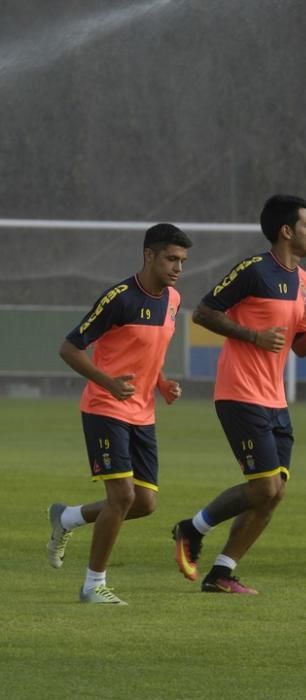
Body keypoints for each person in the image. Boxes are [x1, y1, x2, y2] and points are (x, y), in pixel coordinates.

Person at [172, 194, 306, 594]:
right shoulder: (253, 270)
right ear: (286, 230)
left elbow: (298, 348)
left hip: (275, 401)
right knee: (264, 487)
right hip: (239, 392)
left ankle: (222, 572)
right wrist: (253, 335)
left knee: (274, 494)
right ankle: (192, 528)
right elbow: (203, 312)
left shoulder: (305, 282)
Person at [47, 223, 192, 605]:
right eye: (170, 259)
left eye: (182, 261)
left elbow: (147, 352)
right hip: (104, 407)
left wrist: (161, 383)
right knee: (122, 496)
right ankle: (94, 585)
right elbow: (69, 348)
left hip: (142, 413)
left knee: (144, 503)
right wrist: (107, 381)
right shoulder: (119, 298)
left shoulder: (173, 300)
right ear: (149, 255)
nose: (177, 267)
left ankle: (68, 518)